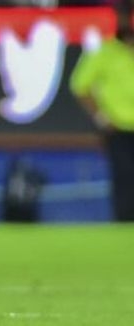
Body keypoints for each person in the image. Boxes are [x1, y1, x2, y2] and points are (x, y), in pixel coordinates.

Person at [70, 18, 134, 221]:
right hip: (118, 127)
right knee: (125, 175)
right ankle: (125, 222)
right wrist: (101, 117)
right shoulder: (105, 52)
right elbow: (80, 85)